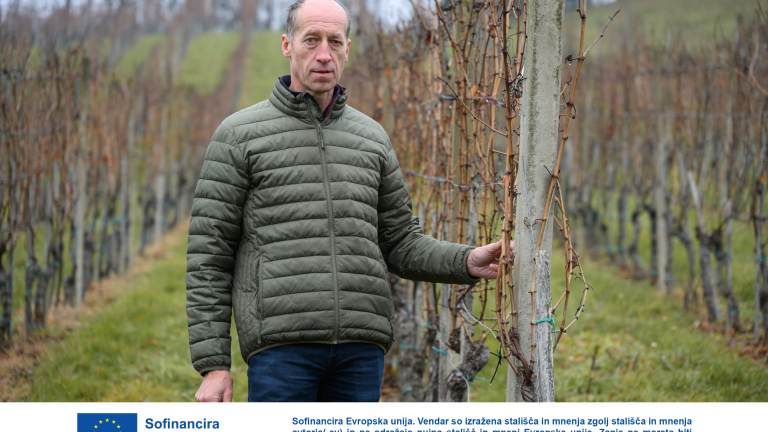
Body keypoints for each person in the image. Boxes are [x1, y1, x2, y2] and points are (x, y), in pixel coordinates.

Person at [187, 0, 513, 402]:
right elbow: (209, 255)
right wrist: (214, 365)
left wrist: (466, 261)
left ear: (347, 48)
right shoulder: (239, 136)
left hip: (361, 351)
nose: (324, 54)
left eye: (334, 41)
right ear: (287, 45)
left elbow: (401, 243)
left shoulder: (371, 138)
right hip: (281, 350)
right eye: (311, 40)